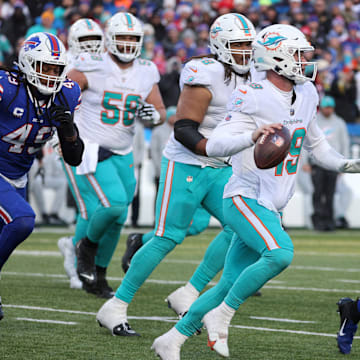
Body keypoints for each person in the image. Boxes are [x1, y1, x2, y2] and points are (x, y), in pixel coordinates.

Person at [151, 24, 360, 359]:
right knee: (280, 253)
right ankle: (222, 315)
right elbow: (217, 143)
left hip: (272, 202)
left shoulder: (307, 93)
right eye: (298, 53)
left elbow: (317, 146)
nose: (306, 59)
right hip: (244, 196)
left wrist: (350, 164)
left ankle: (171, 340)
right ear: (277, 56)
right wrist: (250, 137)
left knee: (225, 284)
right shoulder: (252, 93)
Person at [96, 13, 257, 336]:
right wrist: (213, 149)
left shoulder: (256, 73)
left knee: (240, 227)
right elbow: (183, 128)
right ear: (220, 46)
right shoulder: (204, 73)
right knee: (168, 236)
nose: (245, 52)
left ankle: (190, 292)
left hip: (221, 167)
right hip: (187, 162)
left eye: (248, 46)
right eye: (237, 45)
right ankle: (116, 305)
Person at [66, 12, 166, 298]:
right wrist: (65, 134)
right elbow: (63, 97)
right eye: (122, 36)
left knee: (120, 216)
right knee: (113, 204)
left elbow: (159, 110)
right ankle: (85, 245)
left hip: (124, 148)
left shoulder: (146, 70)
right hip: (93, 146)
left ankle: (98, 274)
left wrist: (154, 116)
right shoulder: (91, 64)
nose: (127, 42)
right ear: (109, 38)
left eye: (133, 38)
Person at [0, 31, 84, 320]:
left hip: (18, 176)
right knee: (22, 220)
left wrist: (68, 130)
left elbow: (74, 158)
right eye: (44, 68)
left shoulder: (67, 94)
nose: (50, 75)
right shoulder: (7, 88)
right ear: (27, 63)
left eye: (56, 69)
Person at [57, 18, 105, 290]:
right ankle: (77, 262)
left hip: (96, 143)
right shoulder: (67, 64)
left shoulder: (106, 65)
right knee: (90, 204)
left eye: (94, 41)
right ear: (75, 43)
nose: (90, 47)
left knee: (95, 204)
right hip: (72, 140)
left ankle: (74, 247)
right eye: (85, 42)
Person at [310, 95, 350, 231]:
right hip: (317, 163)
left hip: (333, 163)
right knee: (317, 193)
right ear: (321, 108)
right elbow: (306, 141)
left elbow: (345, 144)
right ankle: (318, 220)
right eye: (326, 107)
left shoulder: (339, 122)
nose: (328, 110)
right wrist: (304, 161)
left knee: (330, 194)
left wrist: (344, 164)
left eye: (330, 108)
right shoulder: (313, 121)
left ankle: (329, 221)